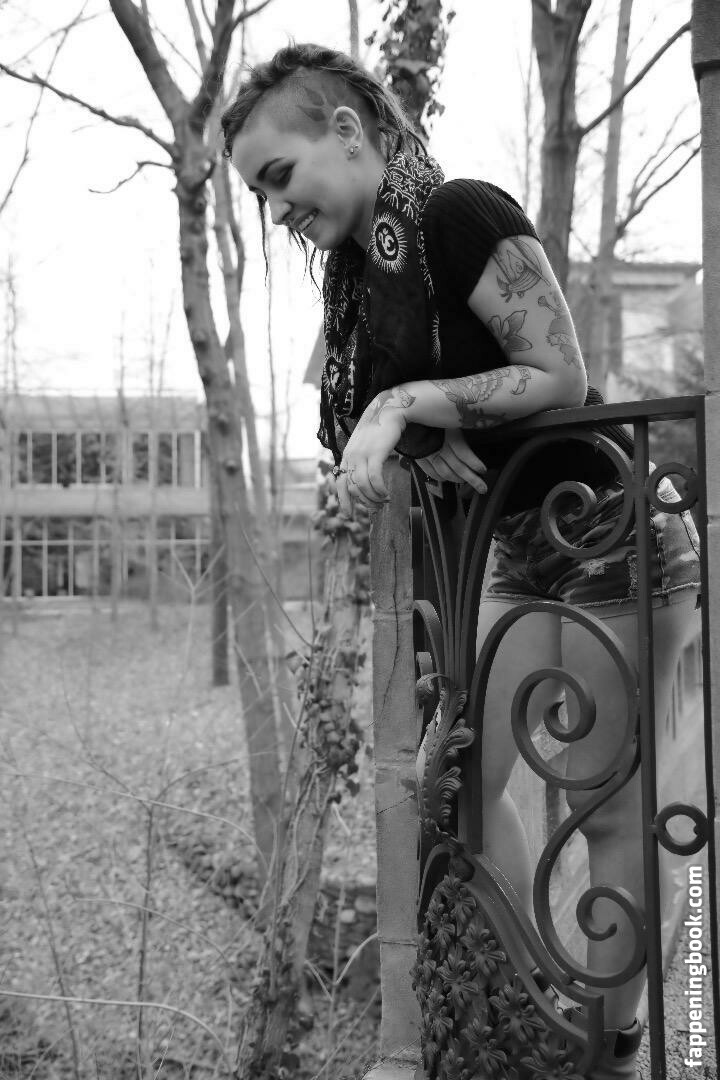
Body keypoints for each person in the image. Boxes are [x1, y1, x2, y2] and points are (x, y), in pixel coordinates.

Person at [221, 42, 702, 1080]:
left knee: (607, 807)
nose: (276, 208)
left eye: (281, 177)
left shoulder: (458, 214)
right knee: (462, 796)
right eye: (260, 194)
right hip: (517, 550)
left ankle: (605, 1041)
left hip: (607, 533)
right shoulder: (361, 283)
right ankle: (543, 997)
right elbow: (344, 424)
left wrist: (411, 405)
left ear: (347, 132)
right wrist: (417, 425)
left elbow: (558, 373)